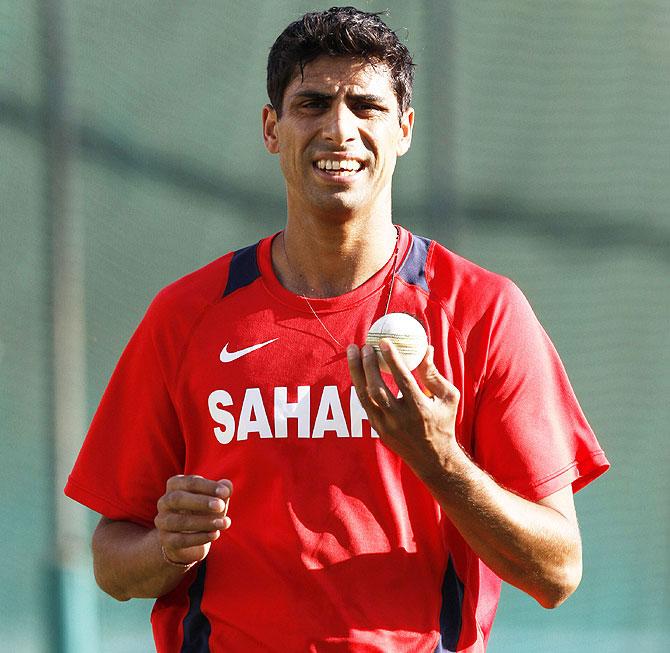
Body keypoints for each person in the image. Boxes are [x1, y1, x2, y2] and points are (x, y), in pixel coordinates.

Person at [65, 6, 609, 652]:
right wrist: (167, 545)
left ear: (405, 128)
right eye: (312, 104)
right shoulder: (188, 313)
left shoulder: (482, 310)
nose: (339, 129)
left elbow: (558, 571)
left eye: (366, 106)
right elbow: (111, 560)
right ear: (272, 127)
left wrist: (440, 461)